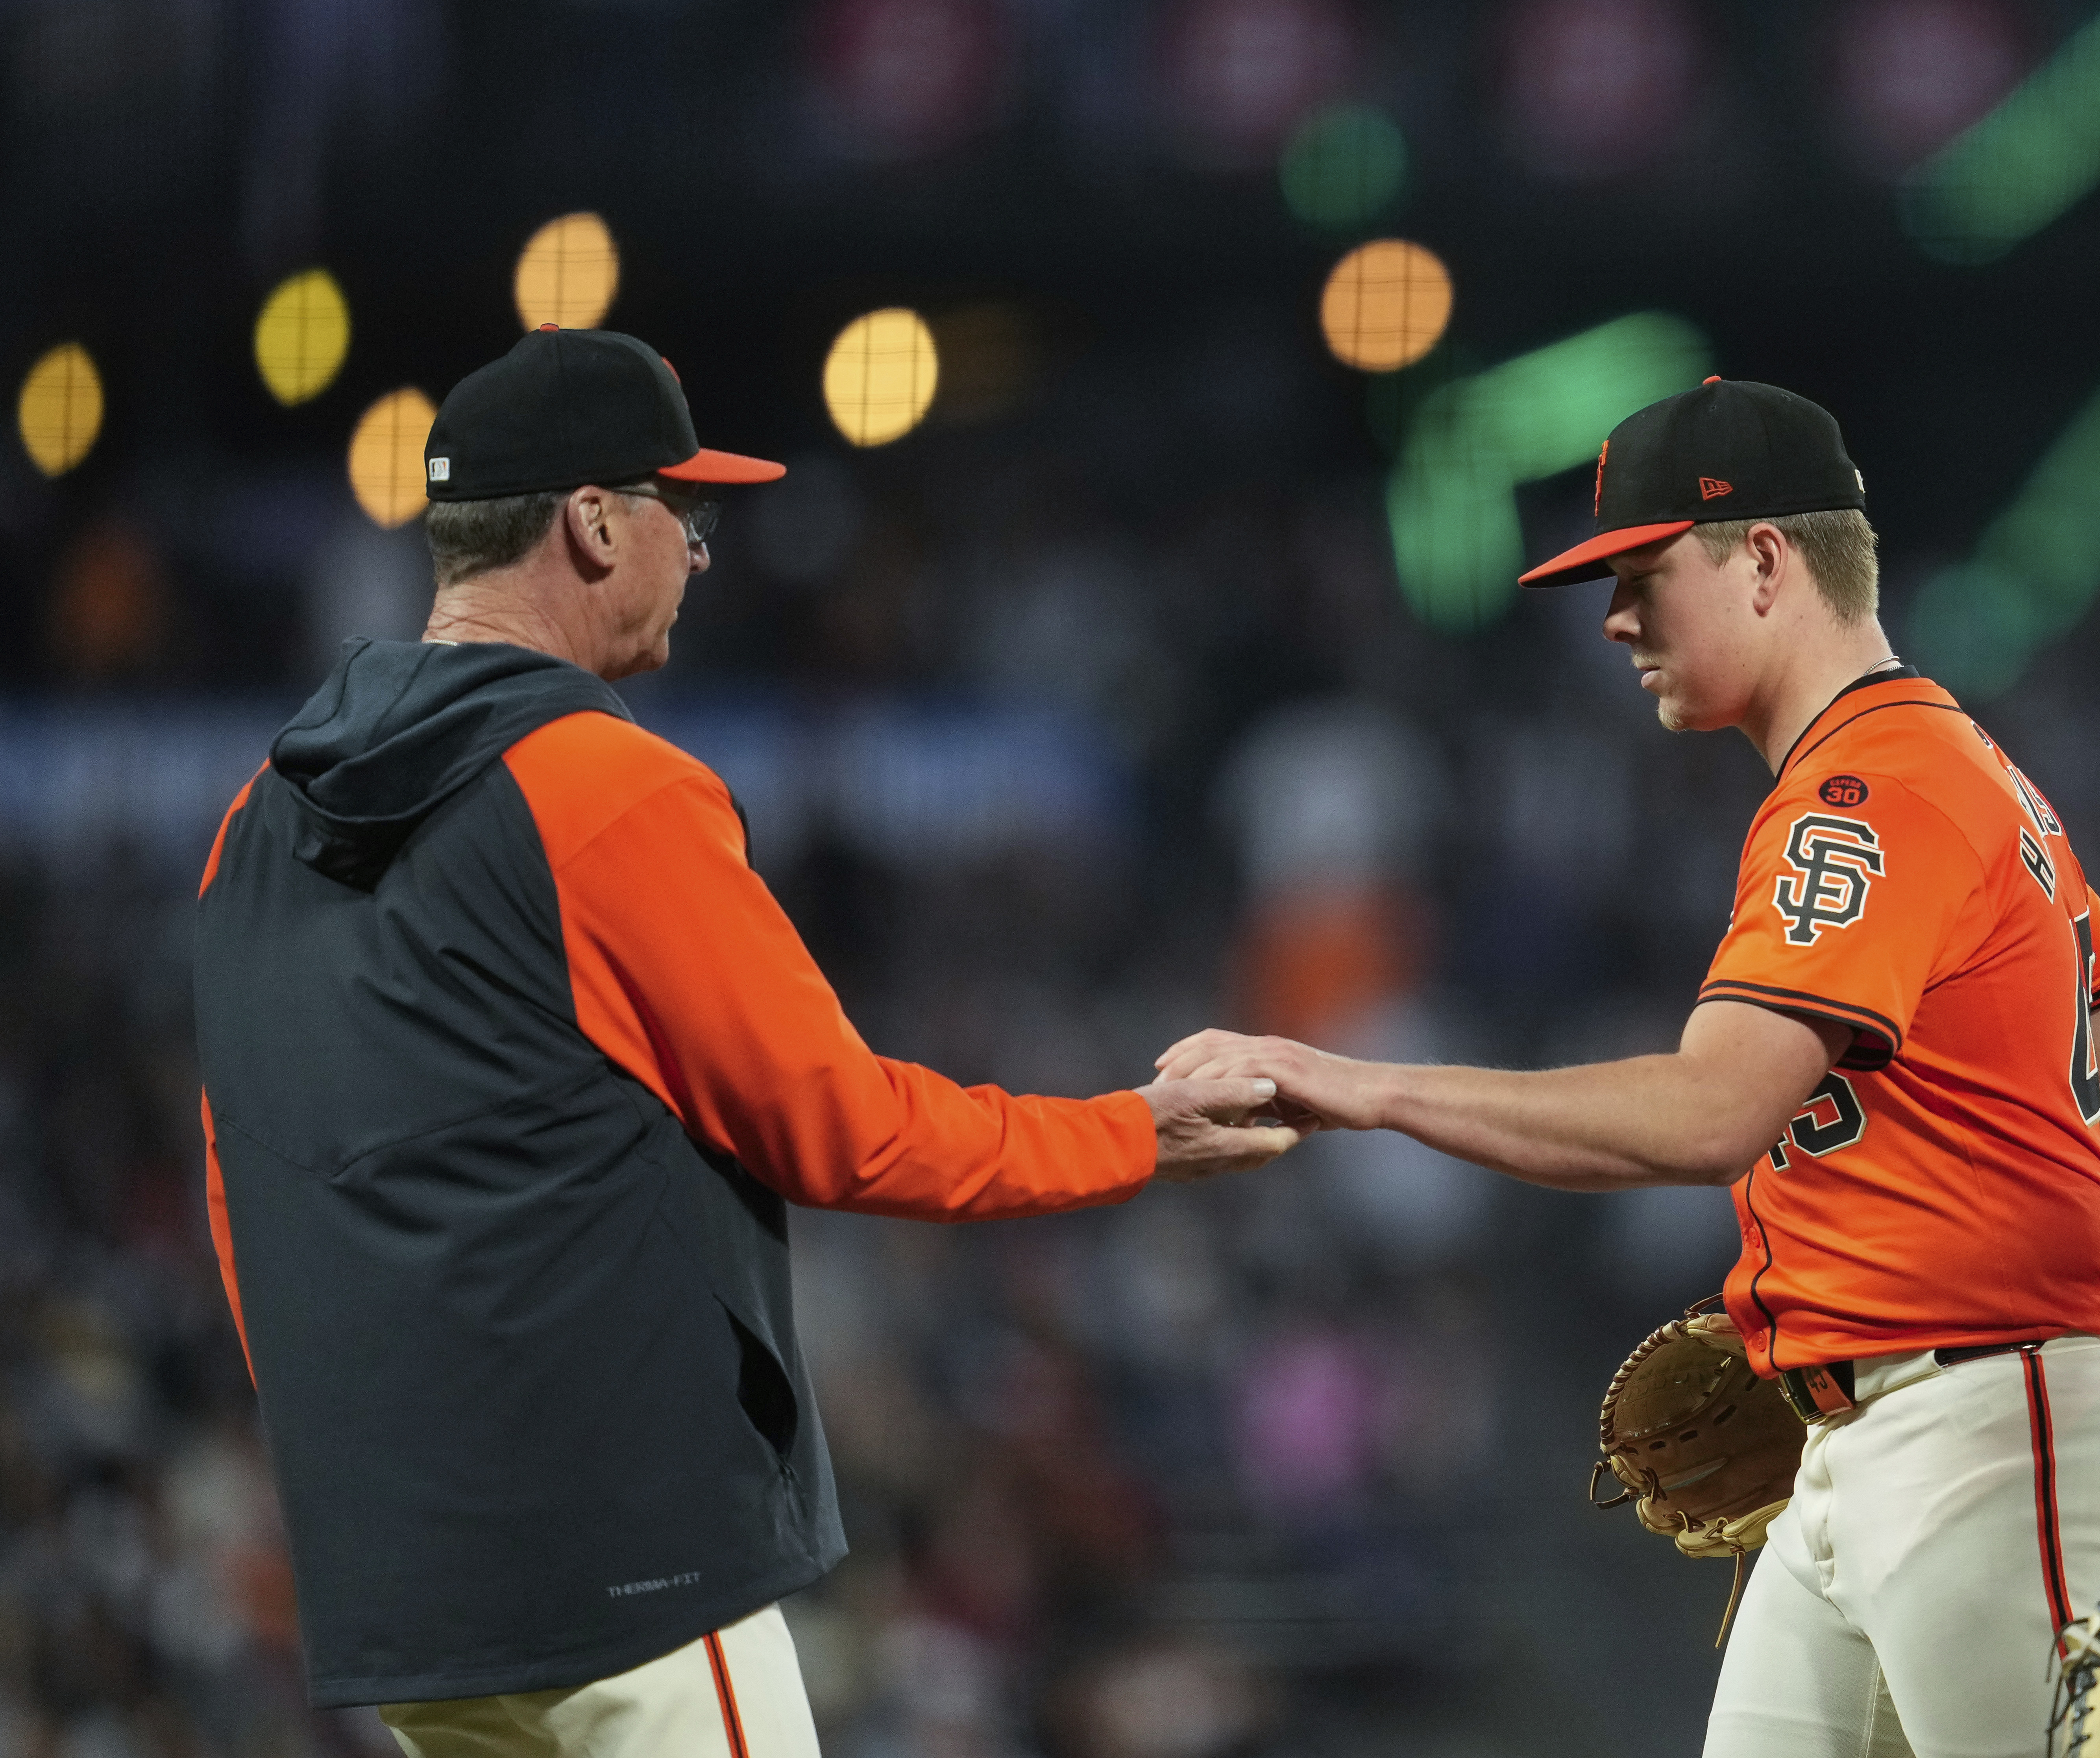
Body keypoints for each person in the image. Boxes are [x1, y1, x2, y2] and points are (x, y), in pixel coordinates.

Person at [191, 325, 1301, 1757]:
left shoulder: (253, 823)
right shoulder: (600, 782)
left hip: (404, 1590)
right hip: (625, 1564)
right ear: (593, 523)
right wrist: (1135, 1132)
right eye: (682, 508)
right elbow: (844, 1126)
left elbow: (250, 1193)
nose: (702, 551)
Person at [1158, 378, 2100, 1758]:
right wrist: (2047, 1204)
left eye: (1642, 574)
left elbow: (1711, 1112)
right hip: (1874, 1424)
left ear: (1761, 561)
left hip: (1985, 1425)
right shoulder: (1953, 763)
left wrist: (1368, 1086)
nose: (1615, 618)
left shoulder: (1872, 790)